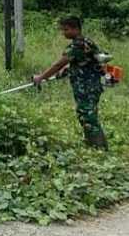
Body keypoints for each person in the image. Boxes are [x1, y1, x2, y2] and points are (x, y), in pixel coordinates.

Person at [34, 16, 108, 149]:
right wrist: (66, 72)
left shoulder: (78, 45)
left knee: (88, 117)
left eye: (66, 29)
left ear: (76, 29)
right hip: (87, 85)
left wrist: (41, 77)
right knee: (85, 115)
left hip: (87, 87)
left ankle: (99, 147)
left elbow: (58, 64)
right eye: (63, 30)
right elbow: (81, 63)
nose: (63, 33)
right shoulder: (86, 42)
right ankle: (92, 144)